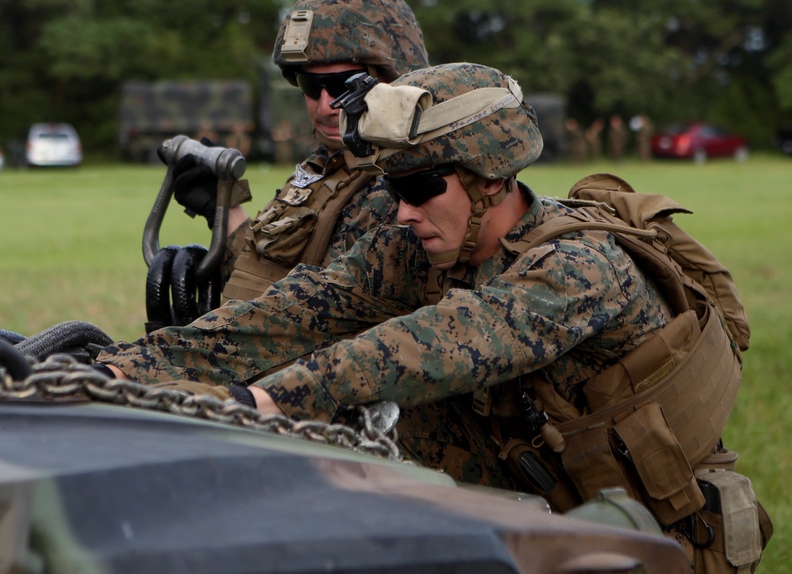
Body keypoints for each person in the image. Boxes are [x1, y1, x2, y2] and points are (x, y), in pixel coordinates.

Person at [97, 62, 767, 569]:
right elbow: (287, 315)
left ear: (493, 179)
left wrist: (264, 399)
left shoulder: (581, 267)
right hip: (535, 515)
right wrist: (113, 368)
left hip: (648, 539)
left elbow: (431, 345)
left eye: (419, 187)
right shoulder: (412, 246)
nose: (402, 211)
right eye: (393, 188)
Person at [169, 0, 429, 302]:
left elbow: (317, 318)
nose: (323, 106)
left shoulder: (412, 185)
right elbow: (268, 285)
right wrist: (224, 210)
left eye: (342, 85)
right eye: (309, 85)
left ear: (394, 79)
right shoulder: (328, 168)